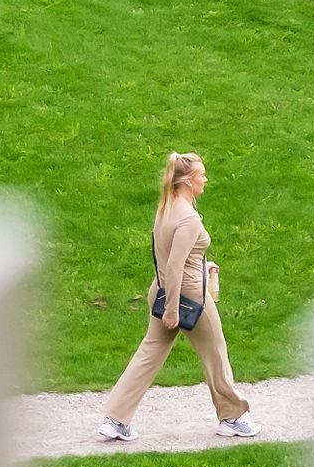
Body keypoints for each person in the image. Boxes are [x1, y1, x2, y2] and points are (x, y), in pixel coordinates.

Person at [99, 152, 257, 442]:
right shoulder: (189, 218)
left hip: (160, 291)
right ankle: (232, 417)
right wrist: (172, 310)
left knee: (149, 353)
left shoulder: (166, 208)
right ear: (187, 181)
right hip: (190, 299)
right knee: (216, 352)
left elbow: (172, 257)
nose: (206, 179)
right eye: (202, 175)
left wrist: (202, 264)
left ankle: (116, 420)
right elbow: (174, 265)